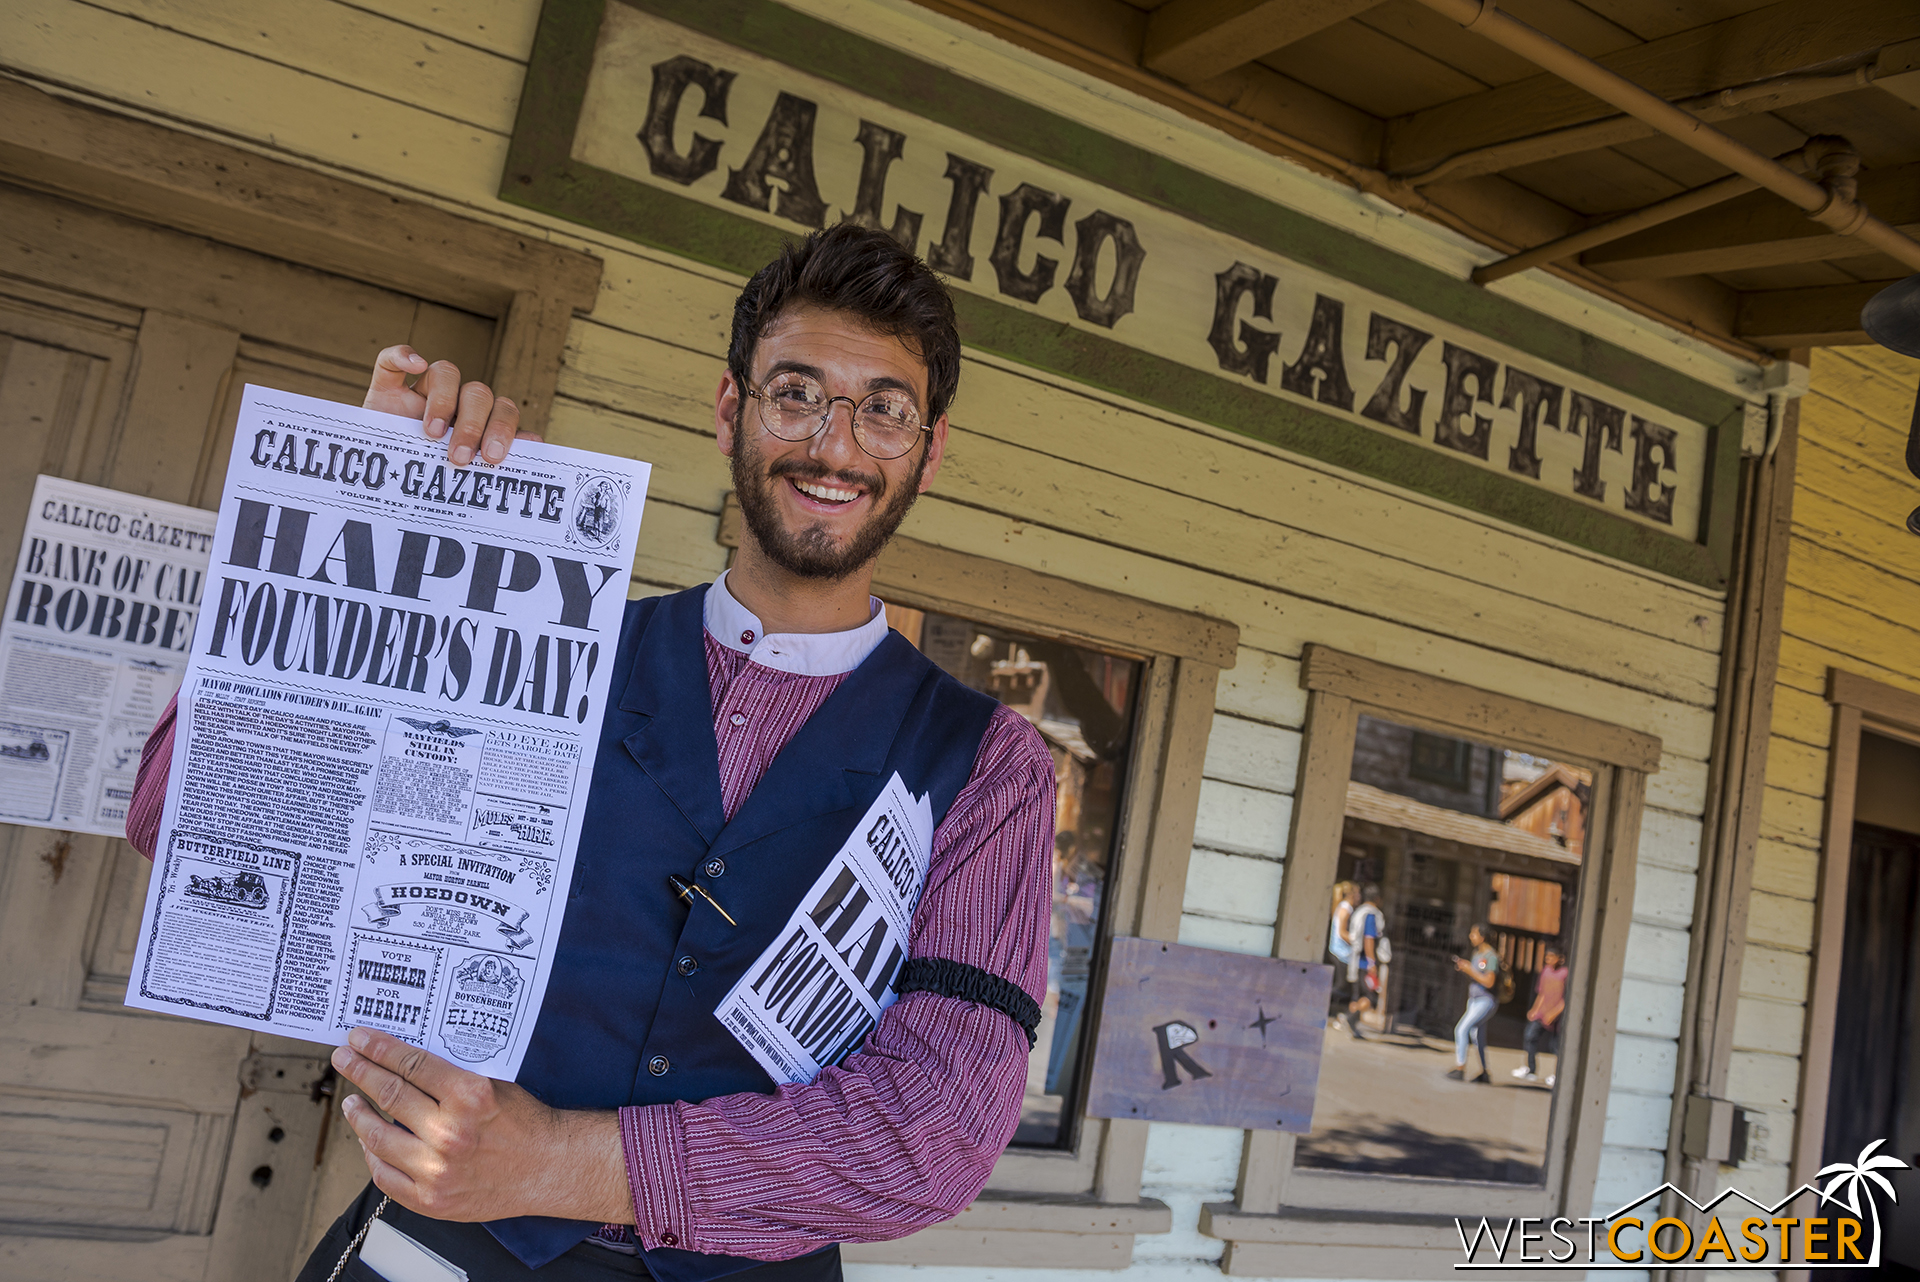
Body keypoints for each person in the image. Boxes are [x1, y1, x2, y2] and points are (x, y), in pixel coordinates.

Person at [123, 224, 1056, 1282]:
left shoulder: (992, 766)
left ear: (927, 449)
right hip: (443, 1256)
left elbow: (933, 1129)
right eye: (795, 392)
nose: (834, 446)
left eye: (883, 408)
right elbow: (180, 828)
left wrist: (565, 1164)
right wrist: (350, 523)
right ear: (730, 410)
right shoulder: (546, 640)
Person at [1447, 924, 1500, 1084]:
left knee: (1461, 1029)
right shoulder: (1477, 954)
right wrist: (1466, 969)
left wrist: (1470, 970)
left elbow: (1489, 982)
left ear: (1482, 937)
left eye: (1474, 934)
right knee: (1477, 1036)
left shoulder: (1491, 957)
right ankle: (1485, 1072)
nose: (1471, 936)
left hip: (1485, 1000)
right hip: (1474, 999)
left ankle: (1460, 1068)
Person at [1513, 946, 1568, 1086]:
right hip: (1542, 1014)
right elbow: (1542, 993)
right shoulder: (1546, 971)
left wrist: (1554, 1013)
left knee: (1555, 1046)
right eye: (1547, 957)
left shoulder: (1565, 974)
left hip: (1557, 1018)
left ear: (1560, 959)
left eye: (1551, 957)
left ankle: (1558, 1075)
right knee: (1530, 1036)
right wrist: (1535, 1009)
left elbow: (1566, 998)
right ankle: (1531, 1069)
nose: (1548, 960)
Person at [1347, 884, 1386, 1037]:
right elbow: (1369, 939)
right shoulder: (1371, 914)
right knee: (1371, 999)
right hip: (1364, 963)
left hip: (1355, 961)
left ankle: (1351, 1024)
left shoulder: (1359, 911)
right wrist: (1372, 963)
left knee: (1356, 996)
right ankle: (1348, 1017)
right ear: (1377, 898)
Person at [1326, 880, 1358, 1030]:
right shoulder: (1347, 908)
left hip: (1337, 950)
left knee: (1340, 985)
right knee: (1340, 986)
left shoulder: (1341, 906)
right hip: (1342, 952)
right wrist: (1356, 940)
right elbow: (1342, 932)